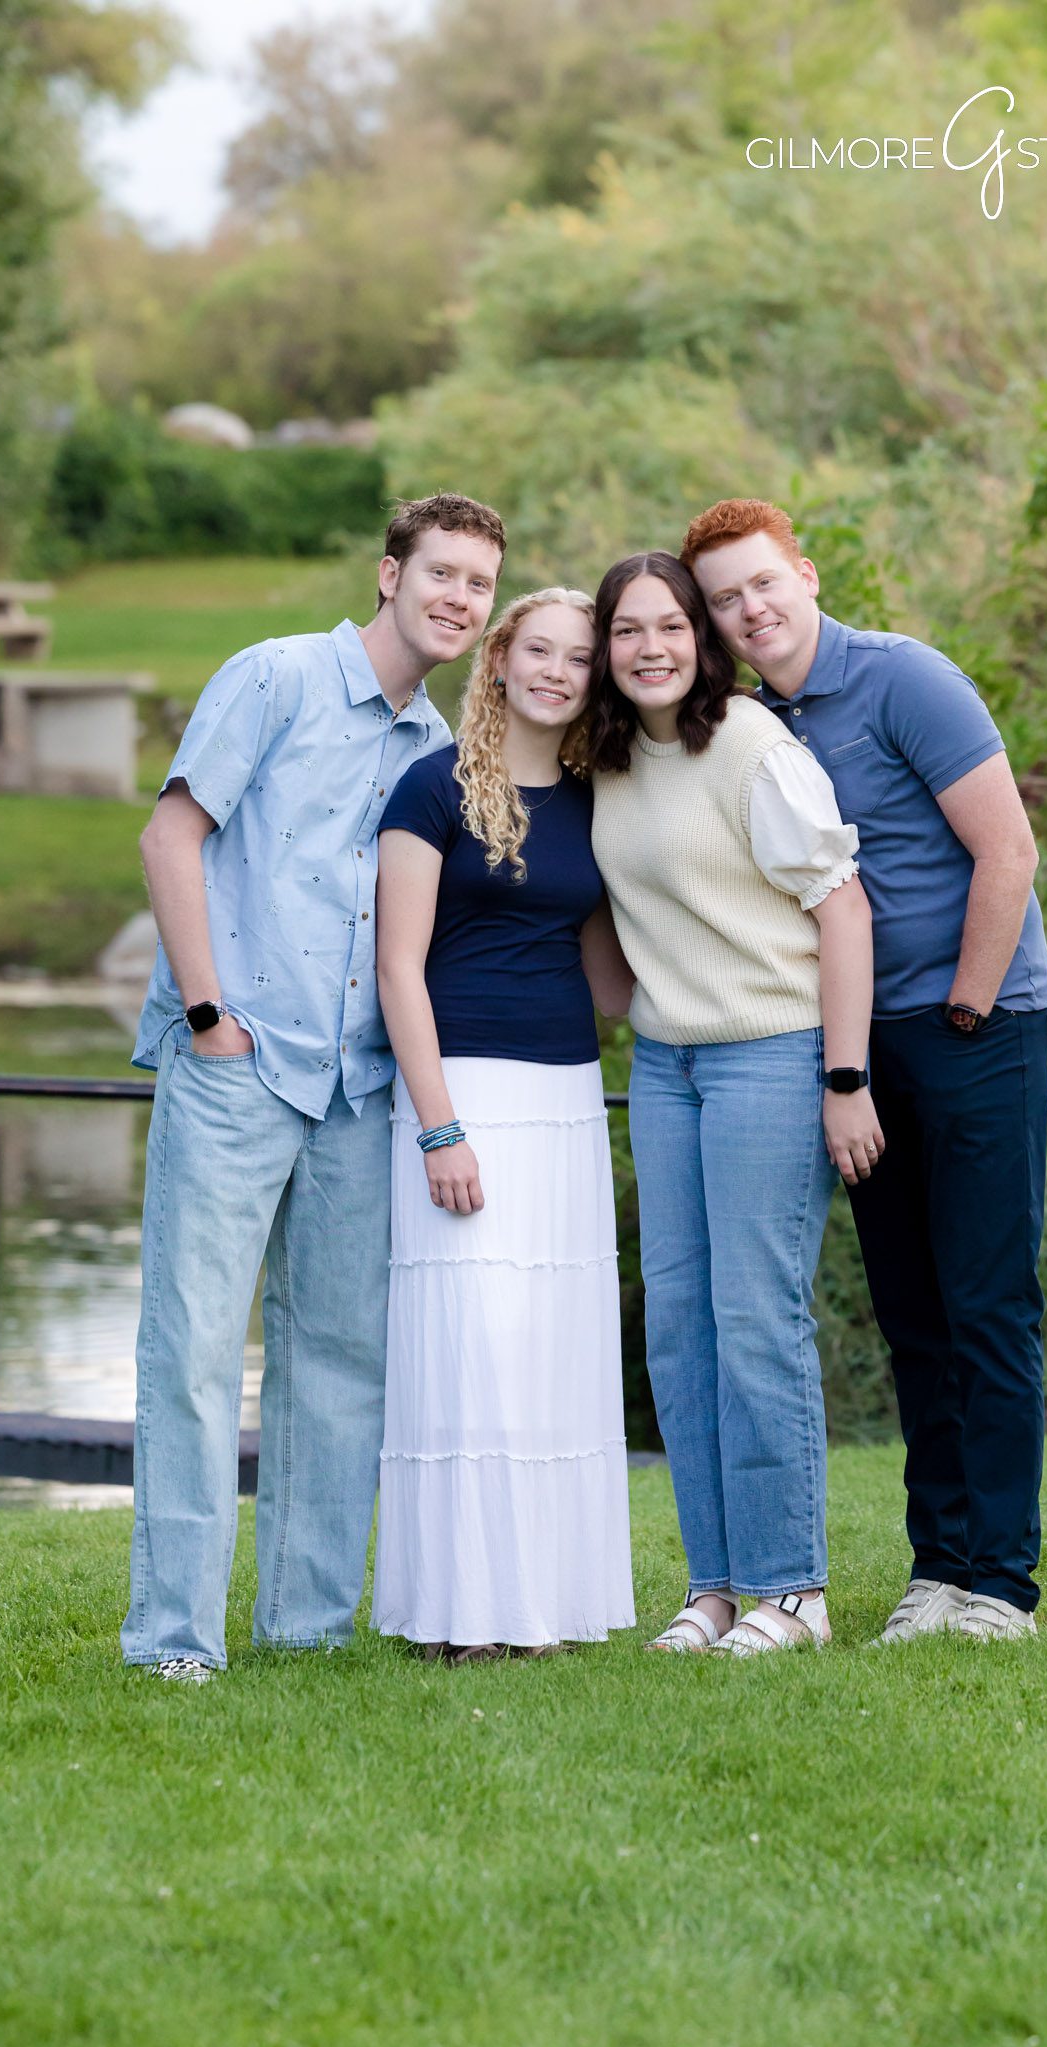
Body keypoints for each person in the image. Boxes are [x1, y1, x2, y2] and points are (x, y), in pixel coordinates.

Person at [121, 493, 505, 1682]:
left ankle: (304, 1629)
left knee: (339, 1360)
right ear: (389, 574)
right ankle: (173, 1640)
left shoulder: (439, 751)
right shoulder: (276, 677)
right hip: (240, 1063)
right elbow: (170, 836)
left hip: (358, 1090)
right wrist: (206, 1012)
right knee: (190, 1354)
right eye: (440, 572)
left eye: (479, 584)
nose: (458, 598)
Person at [684, 498, 1047, 1644]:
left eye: (763, 582)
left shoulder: (906, 679)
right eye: (724, 599)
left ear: (802, 573)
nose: (750, 609)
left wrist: (965, 1004)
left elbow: (1008, 848)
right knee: (912, 1312)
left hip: (978, 1029)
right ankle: (936, 1567)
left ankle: (1001, 1582)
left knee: (989, 1304)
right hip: (853, 1048)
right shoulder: (755, 721)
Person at [586, 550, 879, 1657]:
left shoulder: (753, 746)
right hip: (668, 1064)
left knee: (757, 1321)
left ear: (703, 642)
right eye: (626, 631)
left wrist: (843, 1078)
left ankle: (791, 1589)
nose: (650, 647)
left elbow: (841, 910)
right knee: (679, 1323)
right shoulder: (609, 759)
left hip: (773, 1053)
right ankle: (714, 1586)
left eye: (670, 625)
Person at [371, 587, 636, 1659]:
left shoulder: (598, 799)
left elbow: (614, 980)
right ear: (497, 660)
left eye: (579, 656)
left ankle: (544, 1612)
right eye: (539, 649)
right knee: (469, 1348)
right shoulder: (428, 788)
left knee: (547, 1353)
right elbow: (397, 967)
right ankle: (460, 1616)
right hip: (460, 1090)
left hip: (566, 1095)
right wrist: (439, 1128)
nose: (559, 670)